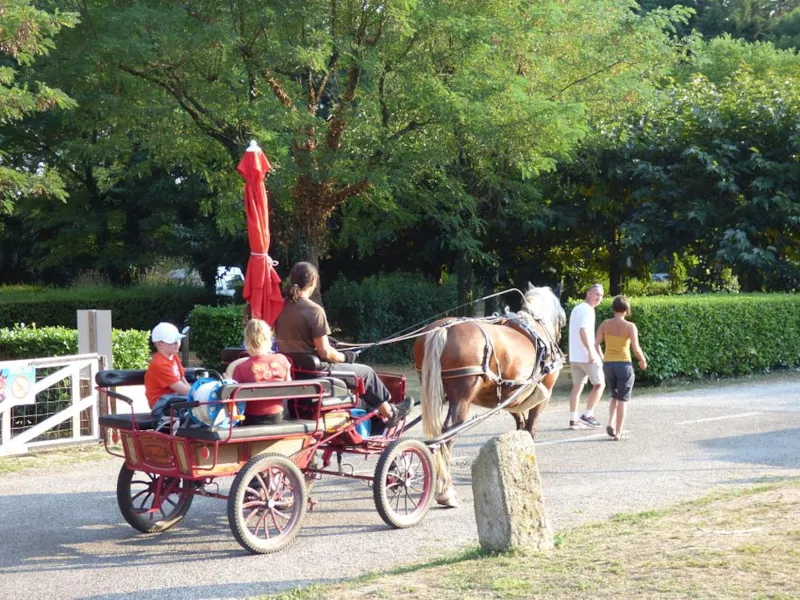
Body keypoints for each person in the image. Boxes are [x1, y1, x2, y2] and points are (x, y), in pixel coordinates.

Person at [274, 261, 411, 428]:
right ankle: (391, 414)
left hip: (295, 371)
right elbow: (326, 353)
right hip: (316, 373)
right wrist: (346, 356)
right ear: (314, 282)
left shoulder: (281, 307)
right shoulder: (314, 310)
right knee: (367, 372)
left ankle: (369, 412)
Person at [595, 295, 647, 441]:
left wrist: (602, 357)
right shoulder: (630, 327)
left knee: (614, 396)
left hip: (608, 364)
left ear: (613, 308)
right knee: (623, 400)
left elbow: (596, 343)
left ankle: (610, 422)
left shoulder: (605, 324)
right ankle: (618, 432)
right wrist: (642, 360)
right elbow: (636, 348)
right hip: (624, 364)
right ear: (627, 310)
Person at [229, 319, 292, 424]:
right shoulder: (283, 360)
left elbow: (232, 400)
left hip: (251, 419)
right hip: (279, 417)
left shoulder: (241, 368)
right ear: (269, 339)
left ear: (247, 341)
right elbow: (289, 393)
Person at [567, 283, 606, 429]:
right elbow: (583, 331)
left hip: (575, 356)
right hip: (586, 356)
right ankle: (588, 415)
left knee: (577, 388)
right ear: (588, 294)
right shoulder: (588, 310)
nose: (599, 298)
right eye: (596, 294)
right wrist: (591, 352)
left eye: (601, 295)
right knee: (600, 384)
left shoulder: (577, 308)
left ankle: (573, 420)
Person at [144, 322, 191, 419]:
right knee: (191, 408)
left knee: (194, 404)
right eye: (173, 341)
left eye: (178, 339)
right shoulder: (159, 364)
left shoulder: (174, 357)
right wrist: (200, 394)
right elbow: (181, 388)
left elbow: (182, 379)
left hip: (173, 398)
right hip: (161, 404)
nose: (177, 343)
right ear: (160, 344)